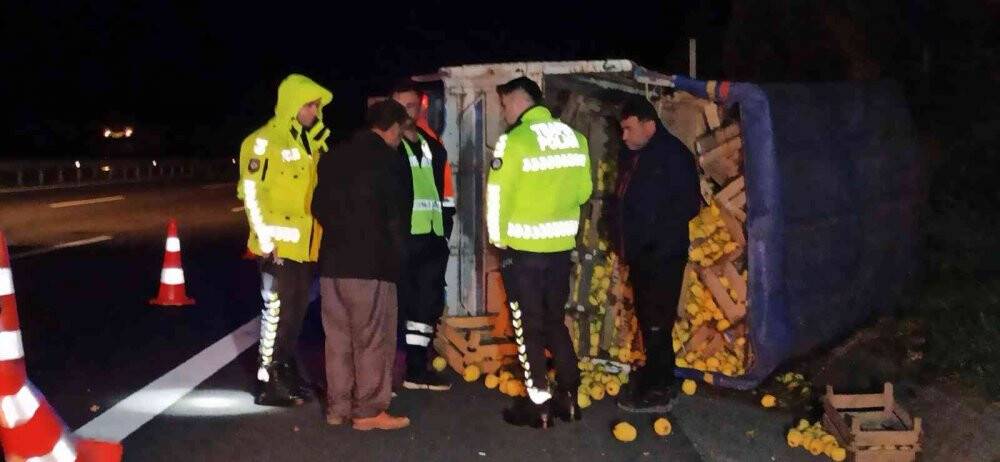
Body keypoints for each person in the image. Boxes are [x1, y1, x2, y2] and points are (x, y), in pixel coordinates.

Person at [486, 76, 592, 428]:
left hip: (524, 253)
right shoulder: (575, 139)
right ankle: (571, 397)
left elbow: (498, 197)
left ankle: (539, 406)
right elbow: (583, 193)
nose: (503, 113)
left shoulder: (514, 141)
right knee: (554, 322)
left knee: (527, 326)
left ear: (518, 101)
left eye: (504, 105)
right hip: (560, 250)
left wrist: (500, 242)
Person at [311, 100, 411, 431]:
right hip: (371, 265)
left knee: (337, 338)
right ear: (394, 127)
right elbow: (397, 217)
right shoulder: (388, 160)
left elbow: (318, 207)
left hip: (332, 265)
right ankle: (368, 411)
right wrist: (399, 261)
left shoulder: (334, 156)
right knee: (371, 338)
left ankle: (337, 408)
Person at [237, 73, 332, 407]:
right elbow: (251, 192)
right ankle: (267, 381)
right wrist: (263, 240)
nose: (315, 112)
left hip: (305, 247)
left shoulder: (309, 143)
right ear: (293, 105)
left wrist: (321, 138)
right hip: (276, 246)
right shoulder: (263, 142)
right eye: (310, 105)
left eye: (317, 107)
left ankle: (284, 368)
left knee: (294, 314)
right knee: (275, 313)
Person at [614, 96, 701, 413]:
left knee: (656, 322)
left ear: (648, 124)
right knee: (650, 319)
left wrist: (654, 234)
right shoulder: (637, 155)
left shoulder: (673, 155)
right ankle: (655, 376)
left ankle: (661, 387)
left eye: (628, 128)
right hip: (643, 254)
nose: (624, 135)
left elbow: (689, 205)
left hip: (662, 255)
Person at [391, 83, 456, 391]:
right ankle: (377, 376)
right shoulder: (386, 145)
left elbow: (445, 189)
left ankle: (416, 369)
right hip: (401, 240)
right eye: (401, 105)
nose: (407, 111)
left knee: (425, 306)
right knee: (395, 306)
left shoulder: (432, 143)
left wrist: (445, 227)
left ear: (421, 107)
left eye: (412, 105)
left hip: (431, 237)